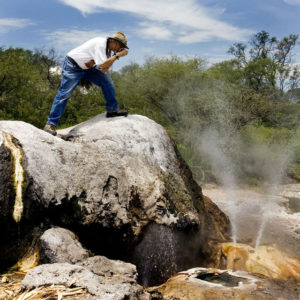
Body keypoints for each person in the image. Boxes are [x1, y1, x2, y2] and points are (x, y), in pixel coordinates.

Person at [44, 31, 129, 136]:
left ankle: (112, 110)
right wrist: (117, 56)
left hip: (87, 68)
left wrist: (115, 56)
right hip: (73, 66)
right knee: (64, 94)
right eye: (120, 46)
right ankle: (50, 124)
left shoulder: (107, 50)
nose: (120, 49)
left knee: (106, 81)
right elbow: (103, 66)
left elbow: (103, 70)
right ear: (115, 42)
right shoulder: (100, 44)